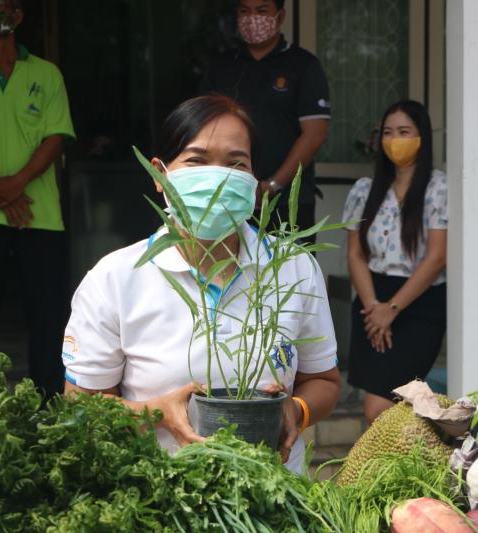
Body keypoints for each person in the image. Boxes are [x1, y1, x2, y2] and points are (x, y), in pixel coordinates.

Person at [61, 95, 340, 473]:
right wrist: (157, 413)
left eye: (236, 163)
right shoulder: (115, 278)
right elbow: (80, 404)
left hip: (273, 501)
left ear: (253, 179)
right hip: (159, 501)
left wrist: (296, 409)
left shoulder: (293, 268)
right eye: (196, 160)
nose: (217, 177)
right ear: (160, 175)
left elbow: (323, 380)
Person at [0, 0, 75, 399]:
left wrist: (14, 185)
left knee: (46, 317)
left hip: (39, 218)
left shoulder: (46, 73)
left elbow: (56, 137)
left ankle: (48, 407)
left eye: (0, 5)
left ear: (19, 15)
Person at [342, 100, 447, 425]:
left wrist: (393, 309)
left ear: (422, 137)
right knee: (380, 407)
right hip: (372, 302)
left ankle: (383, 470)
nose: (395, 140)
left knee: (381, 406)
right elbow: (356, 254)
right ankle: (396, 469)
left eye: (404, 132)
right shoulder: (365, 190)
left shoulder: (438, 188)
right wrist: (375, 307)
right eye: (388, 132)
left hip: (419, 304)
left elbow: (437, 257)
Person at [201, 0, 330, 241]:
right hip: (229, 197)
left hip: (288, 202)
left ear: (280, 17)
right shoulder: (222, 65)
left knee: (292, 274)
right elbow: (204, 128)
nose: (252, 18)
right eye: (244, 11)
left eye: (261, 10)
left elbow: (314, 135)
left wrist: (271, 186)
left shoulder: (303, 65)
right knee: (230, 272)